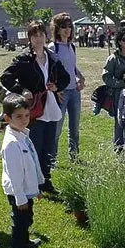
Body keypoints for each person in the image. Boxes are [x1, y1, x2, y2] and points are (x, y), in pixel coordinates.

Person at [0, 21, 70, 195]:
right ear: (29, 38)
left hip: (50, 106)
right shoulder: (24, 58)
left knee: (49, 146)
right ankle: (33, 182)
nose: (38, 39)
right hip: (33, 109)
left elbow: (66, 77)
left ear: (46, 36)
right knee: (35, 146)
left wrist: (57, 86)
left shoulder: (52, 56)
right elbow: (6, 77)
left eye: (41, 35)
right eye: (34, 35)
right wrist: (22, 90)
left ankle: (46, 181)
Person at [0, 93, 44, 248]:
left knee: (27, 219)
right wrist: (20, 197)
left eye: (26, 115)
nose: (24, 120)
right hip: (19, 193)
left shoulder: (23, 135)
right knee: (20, 222)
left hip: (27, 190)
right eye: (18, 117)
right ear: (7, 117)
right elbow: (15, 174)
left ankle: (25, 243)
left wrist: (37, 187)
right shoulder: (12, 144)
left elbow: (32, 163)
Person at [47, 13, 86, 163]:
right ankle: (52, 160)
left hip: (74, 92)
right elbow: (51, 70)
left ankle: (74, 157)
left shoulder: (71, 46)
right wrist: (57, 90)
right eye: (63, 26)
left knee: (74, 129)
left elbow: (71, 67)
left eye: (70, 26)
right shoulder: (52, 47)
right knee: (57, 128)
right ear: (56, 29)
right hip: (61, 93)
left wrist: (81, 78)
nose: (67, 30)